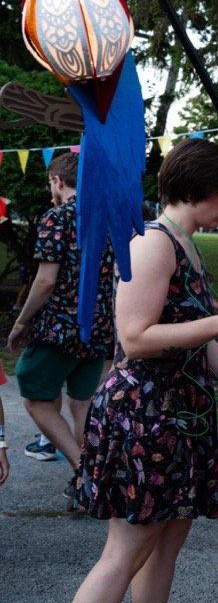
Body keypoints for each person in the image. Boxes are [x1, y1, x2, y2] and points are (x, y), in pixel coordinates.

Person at [30, 140, 218, 603]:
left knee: (166, 541)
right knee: (122, 554)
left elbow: (196, 338)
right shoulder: (153, 241)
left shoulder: (181, 244)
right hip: (145, 417)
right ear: (198, 186)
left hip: (177, 418)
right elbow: (136, 338)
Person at [7, 152, 114, 477]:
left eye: (49, 182)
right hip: (99, 328)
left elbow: (45, 280)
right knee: (81, 404)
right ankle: (94, 478)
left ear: (58, 181)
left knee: (35, 395)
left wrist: (21, 322)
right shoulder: (108, 217)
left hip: (60, 327)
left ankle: (83, 471)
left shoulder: (58, 217)